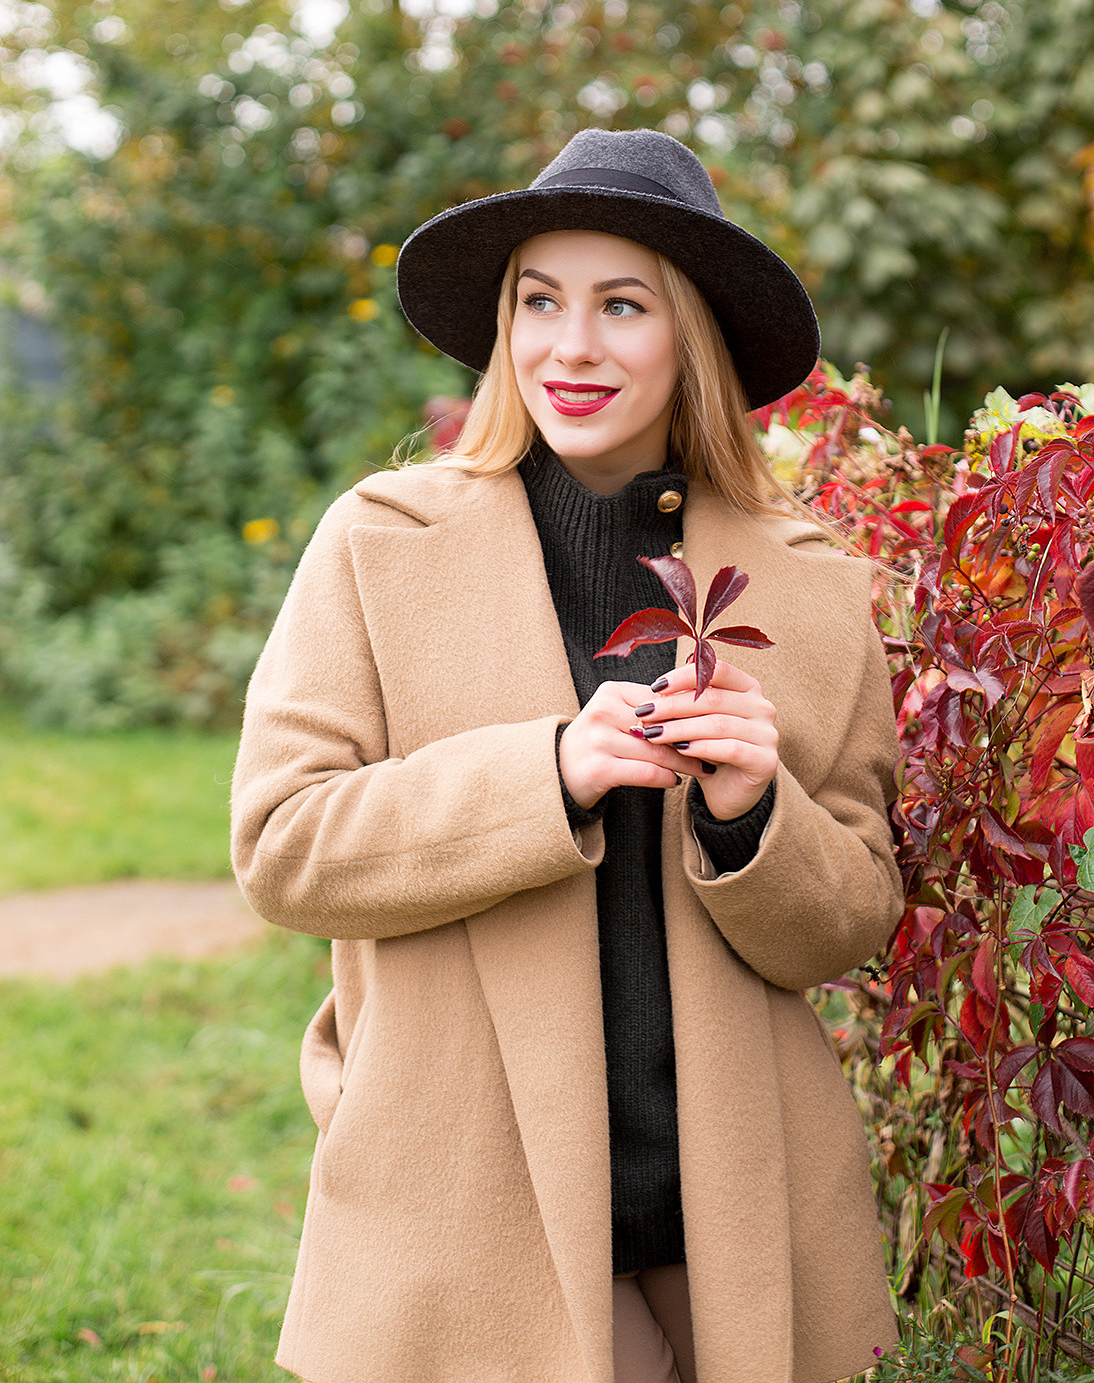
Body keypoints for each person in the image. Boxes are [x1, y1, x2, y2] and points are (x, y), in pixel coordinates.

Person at [231, 128, 906, 1383]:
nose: (570, 345)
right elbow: (282, 848)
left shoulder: (811, 589)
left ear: (690, 337)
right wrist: (545, 774)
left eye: (621, 306)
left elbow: (851, 920)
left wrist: (757, 816)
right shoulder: (384, 546)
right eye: (538, 302)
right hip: (467, 1201)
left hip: (733, 1215)